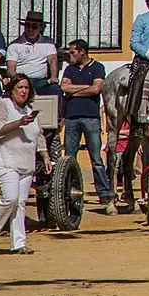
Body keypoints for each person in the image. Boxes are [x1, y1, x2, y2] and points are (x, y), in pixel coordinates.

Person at [0, 75, 46, 254]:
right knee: (10, 199)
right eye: (20, 87)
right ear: (11, 90)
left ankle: (19, 243)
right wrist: (19, 122)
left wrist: (45, 156)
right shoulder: (2, 106)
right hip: (4, 160)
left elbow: (38, 134)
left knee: (20, 203)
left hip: (26, 162)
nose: (23, 91)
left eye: (26, 87)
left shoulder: (29, 109)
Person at [57, 40, 113, 215]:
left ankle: (104, 193)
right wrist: (84, 88)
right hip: (72, 117)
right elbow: (63, 87)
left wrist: (73, 90)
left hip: (91, 117)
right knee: (69, 158)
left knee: (96, 158)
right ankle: (69, 190)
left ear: (82, 52)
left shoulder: (98, 67)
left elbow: (96, 89)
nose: (70, 55)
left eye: (73, 52)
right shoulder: (69, 69)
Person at [4, 13, 60, 97]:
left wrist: (53, 77)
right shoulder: (15, 45)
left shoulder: (48, 42)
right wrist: (22, 80)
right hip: (21, 80)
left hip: (41, 82)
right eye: (27, 26)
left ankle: (57, 110)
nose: (30, 29)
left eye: (34, 27)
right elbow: (10, 70)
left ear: (40, 27)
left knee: (55, 88)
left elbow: (53, 60)